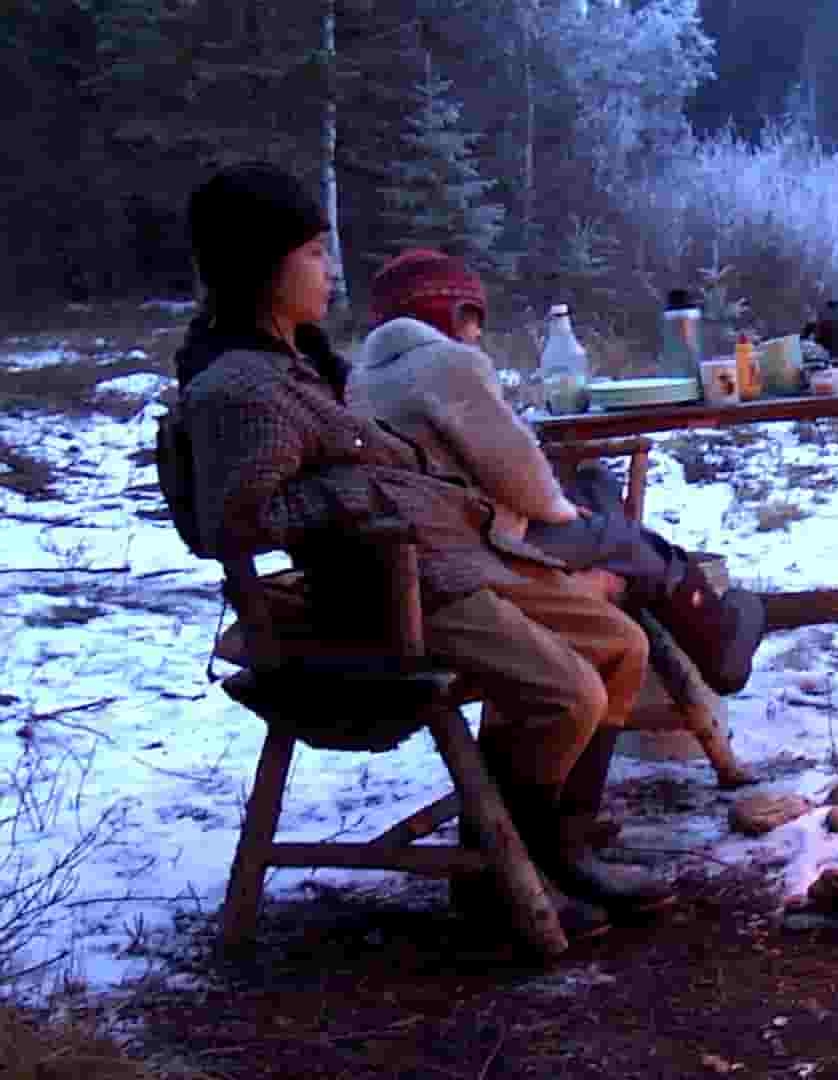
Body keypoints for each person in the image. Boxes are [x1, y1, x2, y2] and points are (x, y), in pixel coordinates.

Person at [174, 164, 670, 935]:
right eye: (312, 252)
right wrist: (362, 492)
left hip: (442, 560)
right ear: (261, 265)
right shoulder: (241, 389)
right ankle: (509, 879)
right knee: (568, 691)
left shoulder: (296, 363)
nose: (330, 268)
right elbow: (231, 524)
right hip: (379, 594)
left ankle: (544, 847)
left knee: (621, 646)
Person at [346, 248, 764, 787]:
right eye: (470, 317)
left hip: (430, 541)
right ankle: (718, 637)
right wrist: (562, 509)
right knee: (617, 537)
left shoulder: (364, 378)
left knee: (596, 490)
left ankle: (703, 622)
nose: (476, 332)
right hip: (480, 545)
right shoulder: (447, 364)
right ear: (445, 313)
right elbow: (513, 468)